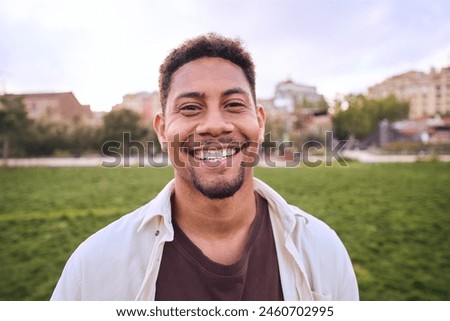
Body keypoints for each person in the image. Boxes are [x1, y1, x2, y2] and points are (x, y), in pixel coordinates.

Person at [51, 33, 358, 301]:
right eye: (190, 108)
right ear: (161, 129)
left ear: (260, 122)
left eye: (234, 104)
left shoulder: (323, 250)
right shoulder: (92, 268)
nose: (214, 125)